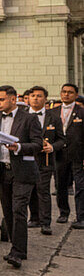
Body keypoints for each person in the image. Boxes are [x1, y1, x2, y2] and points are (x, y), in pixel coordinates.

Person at [0, 85, 42, 268]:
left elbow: (38, 144)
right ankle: (17, 246)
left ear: (13, 99)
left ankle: (17, 252)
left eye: (1, 99)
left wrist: (19, 147)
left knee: (19, 210)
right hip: (2, 170)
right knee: (7, 210)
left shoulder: (29, 118)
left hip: (23, 171)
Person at [24, 86, 63, 235]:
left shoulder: (54, 117)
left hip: (45, 161)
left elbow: (62, 139)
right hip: (27, 159)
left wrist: (52, 147)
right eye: (33, 95)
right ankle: (34, 218)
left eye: (39, 96)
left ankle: (45, 222)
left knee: (43, 191)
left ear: (45, 99)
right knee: (30, 191)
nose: (35, 98)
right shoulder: (22, 116)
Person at [54, 83, 84, 227]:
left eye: (70, 92)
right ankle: (63, 213)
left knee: (80, 186)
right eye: (64, 92)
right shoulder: (53, 112)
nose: (66, 94)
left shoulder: (82, 112)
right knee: (60, 185)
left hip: (78, 154)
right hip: (59, 154)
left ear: (76, 95)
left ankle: (81, 216)